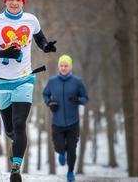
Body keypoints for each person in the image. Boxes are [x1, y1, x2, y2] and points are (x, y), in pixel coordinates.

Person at [0, 0, 56, 182]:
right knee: (11, 130)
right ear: (5, 1)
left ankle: (15, 170)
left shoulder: (31, 20)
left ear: (23, 2)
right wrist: (4, 53)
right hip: (1, 83)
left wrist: (46, 46)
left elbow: (39, 38)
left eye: (18, 0)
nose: (14, 3)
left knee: (20, 124)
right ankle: (15, 140)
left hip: (24, 79)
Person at [43, 54, 89, 182]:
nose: (63, 68)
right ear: (59, 66)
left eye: (66, 65)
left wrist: (77, 99)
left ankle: (70, 172)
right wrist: (50, 103)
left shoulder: (77, 82)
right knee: (58, 146)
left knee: (72, 149)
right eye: (61, 65)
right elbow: (45, 95)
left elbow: (85, 99)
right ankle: (61, 153)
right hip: (57, 121)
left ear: (70, 67)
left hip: (72, 122)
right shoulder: (52, 82)